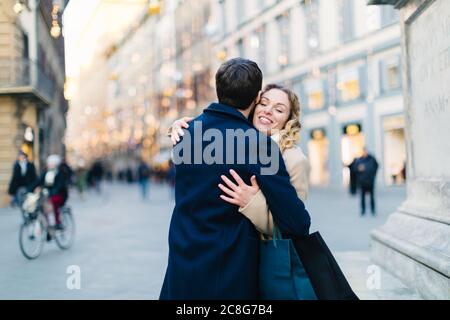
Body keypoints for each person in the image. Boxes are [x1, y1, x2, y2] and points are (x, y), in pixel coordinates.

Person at [159, 58, 311, 300]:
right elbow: (299, 223)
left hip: (182, 267)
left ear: (218, 89)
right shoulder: (258, 145)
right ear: (256, 97)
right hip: (229, 274)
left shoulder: (184, 133)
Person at [170, 83, 311, 237]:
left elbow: (294, 225)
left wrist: (251, 203)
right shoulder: (238, 141)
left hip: (265, 255)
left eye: (279, 109)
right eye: (263, 103)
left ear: (288, 120)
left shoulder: (294, 159)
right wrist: (180, 128)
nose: (268, 111)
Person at [31, 155, 69, 230]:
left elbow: (60, 185)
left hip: (59, 194)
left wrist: (52, 192)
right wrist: (30, 188)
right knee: (38, 204)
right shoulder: (46, 172)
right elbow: (38, 181)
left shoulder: (61, 172)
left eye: (52, 163)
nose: (50, 164)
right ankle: (47, 225)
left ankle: (57, 222)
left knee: (52, 202)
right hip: (47, 194)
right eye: (49, 163)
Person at [354, 149, 379, 216]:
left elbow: (376, 166)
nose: (365, 153)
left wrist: (373, 174)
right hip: (362, 181)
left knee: (372, 196)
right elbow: (355, 169)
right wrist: (358, 170)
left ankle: (373, 210)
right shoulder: (359, 160)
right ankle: (363, 210)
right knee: (362, 197)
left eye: (365, 152)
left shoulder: (371, 159)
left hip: (370, 181)